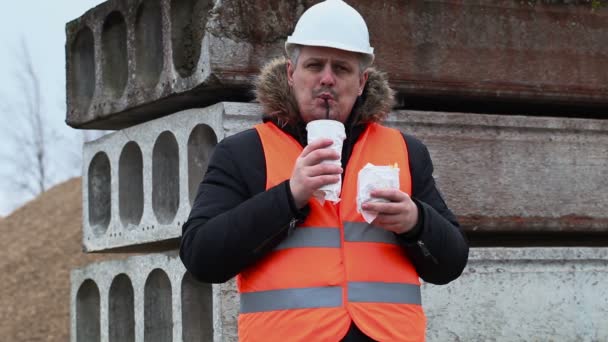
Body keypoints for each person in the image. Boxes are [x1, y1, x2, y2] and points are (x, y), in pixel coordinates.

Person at [180, 0, 468, 341]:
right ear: (291, 74)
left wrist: (416, 222)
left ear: (361, 82)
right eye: (315, 65)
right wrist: (289, 198)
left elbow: (451, 262)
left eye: (342, 69)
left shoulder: (405, 151)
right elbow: (201, 256)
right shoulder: (244, 152)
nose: (327, 79)